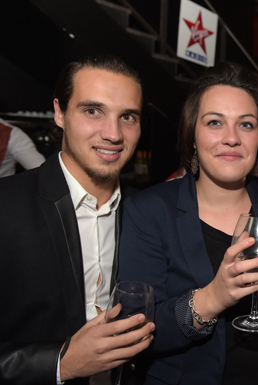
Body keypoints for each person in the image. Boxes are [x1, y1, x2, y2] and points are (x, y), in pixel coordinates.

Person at [119, 62, 258, 385]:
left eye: (246, 125)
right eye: (215, 122)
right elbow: (135, 331)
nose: (231, 138)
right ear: (192, 135)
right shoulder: (148, 211)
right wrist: (214, 298)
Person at [0, 56, 154, 385]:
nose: (113, 134)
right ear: (59, 112)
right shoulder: (6, 206)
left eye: (127, 116)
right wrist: (60, 364)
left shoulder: (146, 211)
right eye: (92, 111)